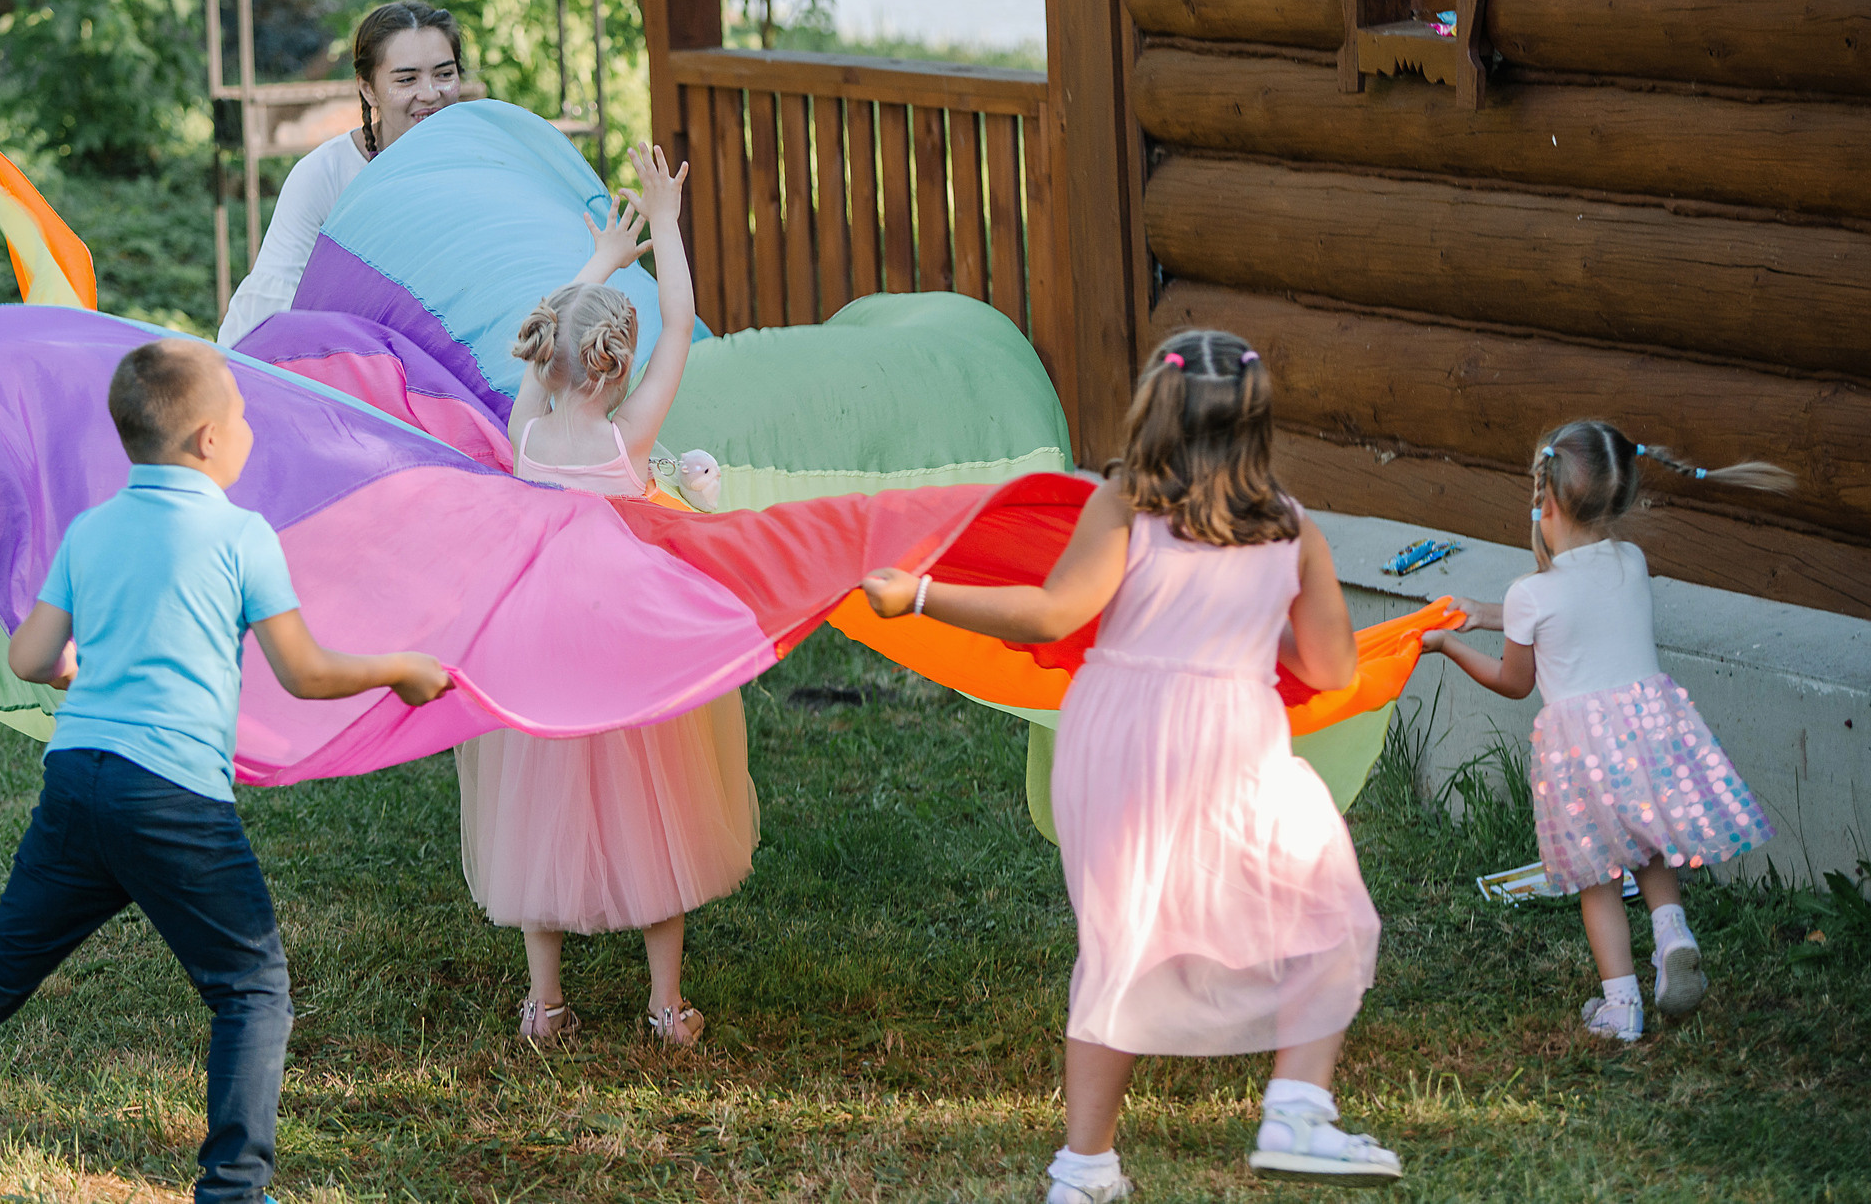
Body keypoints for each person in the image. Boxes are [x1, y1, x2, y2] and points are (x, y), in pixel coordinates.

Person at [0, 338, 454, 1198]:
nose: (250, 427)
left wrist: (90, 666)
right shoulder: (240, 534)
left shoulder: (95, 527)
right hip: (175, 796)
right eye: (244, 414)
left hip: (81, 780)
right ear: (210, 441)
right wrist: (402, 666)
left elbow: (30, 655)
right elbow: (307, 672)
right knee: (251, 987)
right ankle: (233, 1187)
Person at [863, 329, 1398, 1200]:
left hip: (1121, 740)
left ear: (1156, 407)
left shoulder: (1124, 504)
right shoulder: (1293, 530)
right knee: (1322, 907)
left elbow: (1049, 613)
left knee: (1124, 940)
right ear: (1257, 425)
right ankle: (1299, 1105)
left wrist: (919, 593)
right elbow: (1331, 668)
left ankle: (1086, 1166)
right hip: (1231, 736)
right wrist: (1258, 624)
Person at [455, 144, 756, 1048]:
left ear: (546, 360)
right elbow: (682, 318)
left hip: (541, 654)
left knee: (534, 819)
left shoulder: (526, 435)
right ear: (617, 367)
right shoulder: (632, 436)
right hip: (631, 658)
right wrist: (662, 222)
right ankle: (666, 1005)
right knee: (661, 818)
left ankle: (543, 1005)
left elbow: (558, 322)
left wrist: (596, 261)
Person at [1420, 420, 1786, 1042]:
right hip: (1650, 736)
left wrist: (1451, 644)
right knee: (1648, 846)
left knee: (1597, 878)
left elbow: (1515, 680)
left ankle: (1621, 1008)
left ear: (1546, 498)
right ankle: (1672, 933)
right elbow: (1574, 613)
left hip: (1581, 755)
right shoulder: (1631, 562)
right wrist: (1489, 613)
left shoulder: (1530, 595)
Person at [216, 0, 467, 348]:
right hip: (345, 367)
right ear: (367, 88)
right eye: (407, 79)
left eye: (444, 74)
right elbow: (270, 309)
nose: (429, 93)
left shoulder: (481, 166)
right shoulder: (325, 175)